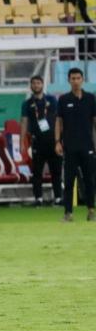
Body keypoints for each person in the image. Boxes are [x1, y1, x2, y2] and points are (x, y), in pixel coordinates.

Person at [54, 68, 96, 222]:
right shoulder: (63, 99)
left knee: (90, 180)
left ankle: (91, 211)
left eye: (78, 78)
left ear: (83, 79)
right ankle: (68, 213)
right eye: (73, 78)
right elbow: (59, 122)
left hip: (87, 146)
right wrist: (57, 141)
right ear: (69, 80)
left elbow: (94, 122)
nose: (76, 81)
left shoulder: (91, 98)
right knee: (69, 180)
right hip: (70, 147)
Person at [20, 75, 62, 206]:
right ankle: (38, 198)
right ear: (31, 86)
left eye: (38, 83)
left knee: (56, 170)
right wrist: (22, 141)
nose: (36, 85)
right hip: (37, 140)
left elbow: (58, 119)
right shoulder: (27, 103)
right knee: (37, 171)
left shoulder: (52, 100)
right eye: (34, 83)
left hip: (52, 140)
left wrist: (59, 140)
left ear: (42, 85)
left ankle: (58, 198)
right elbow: (24, 122)